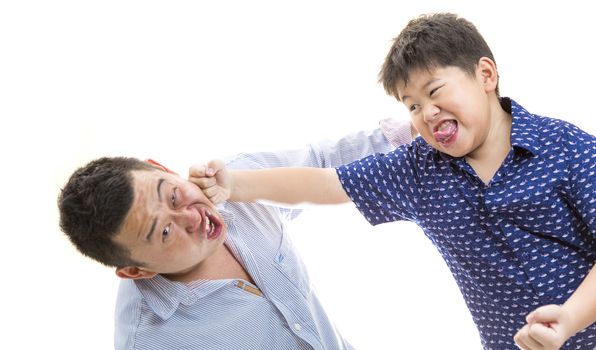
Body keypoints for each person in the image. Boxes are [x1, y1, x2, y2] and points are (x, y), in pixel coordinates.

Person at [190, 13, 596, 350]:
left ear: (485, 74)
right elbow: (326, 184)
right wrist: (236, 185)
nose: (428, 111)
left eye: (435, 91)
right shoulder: (418, 169)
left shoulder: (567, 148)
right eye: (413, 105)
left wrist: (569, 319)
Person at [57, 119, 414, 349]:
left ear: (162, 168)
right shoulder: (152, 341)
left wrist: (416, 128)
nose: (192, 217)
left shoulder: (234, 184)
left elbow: (321, 162)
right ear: (137, 271)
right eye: (165, 231)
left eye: (174, 194)